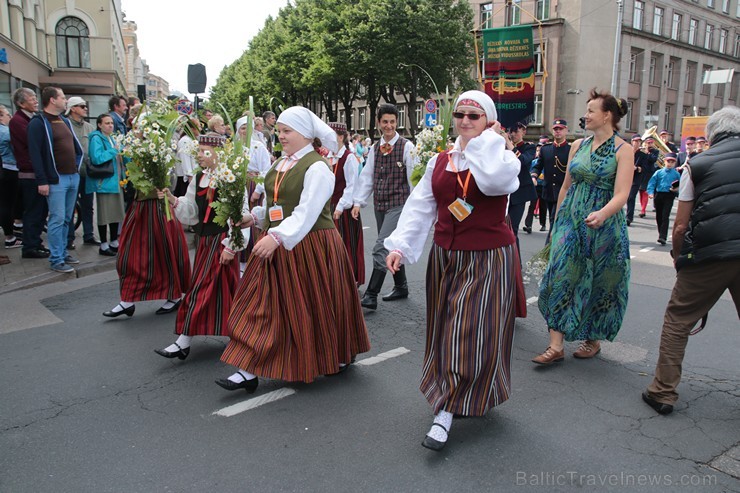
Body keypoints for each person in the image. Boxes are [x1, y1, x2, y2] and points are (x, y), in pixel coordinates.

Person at [384, 90, 520, 451]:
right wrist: (400, 246)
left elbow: (493, 183)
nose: (464, 121)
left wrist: (488, 141)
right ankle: (459, 394)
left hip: (488, 257)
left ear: (488, 122)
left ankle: (445, 409)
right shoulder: (440, 161)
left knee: (469, 330)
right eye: (460, 114)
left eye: (474, 116)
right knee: (447, 328)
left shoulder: (502, 159)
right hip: (446, 257)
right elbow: (421, 205)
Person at [217, 106, 370, 392]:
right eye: (280, 131)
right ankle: (248, 368)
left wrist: (276, 237)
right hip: (279, 241)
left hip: (311, 244)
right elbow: (277, 207)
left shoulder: (317, 168)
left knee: (314, 307)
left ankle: (329, 354)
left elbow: (307, 211)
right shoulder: (278, 164)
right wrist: (254, 217)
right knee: (263, 306)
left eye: (287, 131)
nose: (281, 136)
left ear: (304, 134)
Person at [642, 105, 740, 415]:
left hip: (710, 253)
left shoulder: (697, 164)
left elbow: (681, 224)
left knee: (679, 319)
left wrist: (678, 256)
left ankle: (663, 392)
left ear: (712, 134)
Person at [533, 88, 633, 365]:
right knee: (560, 275)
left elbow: (622, 193)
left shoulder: (624, 150)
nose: (585, 115)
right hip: (571, 220)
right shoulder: (578, 146)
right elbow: (566, 185)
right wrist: (558, 224)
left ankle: (593, 339)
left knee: (600, 282)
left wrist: (602, 213)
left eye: (591, 110)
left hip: (604, 224)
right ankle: (555, 346)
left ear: (607, 116)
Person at [155, 134, 245, 359]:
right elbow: (193, 211)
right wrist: (173, 200)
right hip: (204, 242)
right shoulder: (199, 177)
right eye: (198, 151)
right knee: (223, 291)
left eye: (204, 151)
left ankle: (183, 341)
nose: (199, 156)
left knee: (201, 290)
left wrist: (231, 246)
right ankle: (240, 334)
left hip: (221, 240)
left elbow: (240, 215)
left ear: (217, 153)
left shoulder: (230, 177)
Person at [103, 118, 191, 318]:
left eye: (141, 128)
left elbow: (170, 180)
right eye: (135, 128)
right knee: (129, 256)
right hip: (139, 209)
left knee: (164, 253)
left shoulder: (162, 151)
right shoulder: (136, 150)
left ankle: (173, 295)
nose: (136, 132)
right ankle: (127, 299)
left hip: (158, 210)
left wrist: (161, 187)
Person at [351, 103, 418, 309]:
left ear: (397, 122)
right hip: (380, 203)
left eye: (392, 122)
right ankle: (401, 286)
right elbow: (367, 177)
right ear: (379, 123)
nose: (389, 126)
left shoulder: (407, 146)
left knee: (381, 246)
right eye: (385, 122)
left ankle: (371, 294)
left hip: (399, 204)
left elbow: (413, 178)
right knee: (391, 245)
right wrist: (358, 202)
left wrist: (416, 207)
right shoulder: (374, 148)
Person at [27, 87, 83, 274]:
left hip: (71, 176)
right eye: (62, 97)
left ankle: (63, 252)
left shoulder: (64, 121)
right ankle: (56, 258)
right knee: (57, 219)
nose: (65, 100)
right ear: (52, 100)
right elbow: (35, 154)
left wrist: (76, 167)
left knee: (67, 218)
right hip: (56, 179)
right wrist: (42, 180)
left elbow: (75, 148)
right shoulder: (39, 122)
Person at [10, 88, 49, 260]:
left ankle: (35, 242)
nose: (35, 101)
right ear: (20, 103)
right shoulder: (18, 121)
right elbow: (33, 142)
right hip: (30, 173)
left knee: (41, 211)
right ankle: (30, 247)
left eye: (35, 97)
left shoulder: (32, 118)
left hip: (37, 172)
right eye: (31, 98)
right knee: (33, 211)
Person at [328, 122, 365, 285]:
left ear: (341, 137)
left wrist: (340, 206)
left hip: (342, 208)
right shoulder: (329, 156)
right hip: (330, 206)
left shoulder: (349, 158)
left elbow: (352, 185)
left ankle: (349, 279)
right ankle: (334, 278)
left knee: (346, 243)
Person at [86, 114, 125, 256]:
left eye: (111, 123)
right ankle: (103, 244)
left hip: (116, 181)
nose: (110, 125)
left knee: (115, 213)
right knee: (104, 214)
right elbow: (96, 158)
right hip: (105, 182)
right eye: (107, 123)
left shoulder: (112, 137)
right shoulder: (96, 138)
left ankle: (114, 241)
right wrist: (114, 150)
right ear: (99, 125)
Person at [66, 96, 99, 248]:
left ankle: (89, 235)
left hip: (87, 173)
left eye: (85, 106)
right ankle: (69, 238)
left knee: (87, 206)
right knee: (71, 207)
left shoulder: (89, 127)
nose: (85, 109)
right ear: (72, 108)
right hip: (71, 173)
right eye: (82, 106)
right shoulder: (65, 125)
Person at [531, 119, 570, 239]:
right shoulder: (545, 149)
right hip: (548, 191)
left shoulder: (570, 150)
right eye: (555, 129)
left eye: (560, 129)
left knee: (555, 219)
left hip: (563, 192)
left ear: (566, 131)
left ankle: (549, 248)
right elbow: (538, 166)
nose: (558, 131)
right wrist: (534, 176)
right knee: (553, 219)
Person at [507, 121, 537, 243]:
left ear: (523, 132)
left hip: (519, 193)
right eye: (510, 131)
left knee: (512, 229)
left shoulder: (529, 147)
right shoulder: (502, 147)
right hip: (504, 192)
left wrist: (509, 145)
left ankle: (516, 261)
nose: (512, 134)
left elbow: (523, 161)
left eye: (515, 131)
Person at [0, 104, 23, 250]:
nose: (10, 117)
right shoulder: (4, 131)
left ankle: (12, 231)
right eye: (8, 114)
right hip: (8, 169)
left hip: (4, 169)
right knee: (7, 204)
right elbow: (19, 143)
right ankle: (10, 238)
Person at [647, 152, 681, 246]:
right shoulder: (658, 172)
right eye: (668, 161)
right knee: (659, 216)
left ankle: (663, 236)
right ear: (664, 162)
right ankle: (660, 233)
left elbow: (679, 185)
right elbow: (652, 183)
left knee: (665, 216)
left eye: (672, 162)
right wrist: (650, 193)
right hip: (659, 195)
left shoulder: (676, 174)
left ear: (674, 163)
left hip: (669, 195)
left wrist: (675, 190)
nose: (669, 164)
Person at [626, 134, 658, 225]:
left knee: (631, 197)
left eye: (639, 141)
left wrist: (637, 168)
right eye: (635, 141)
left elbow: (645, 168)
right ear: (632, 142)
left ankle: (629, 218)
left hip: (636, 178)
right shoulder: (626, 152)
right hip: (624, 177)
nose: (637, 143)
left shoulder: (643, 155)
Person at [638, 137, 659, 218]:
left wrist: (648, 153)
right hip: (641, 172)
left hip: (649, 173)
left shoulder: (655, 151)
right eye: (648, 143)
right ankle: (642, 208)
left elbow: (653, 160)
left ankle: (643, 210)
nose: (649, 144)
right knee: (640, 191)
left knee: (645, 191)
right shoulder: (642, 150)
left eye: (651, 143)